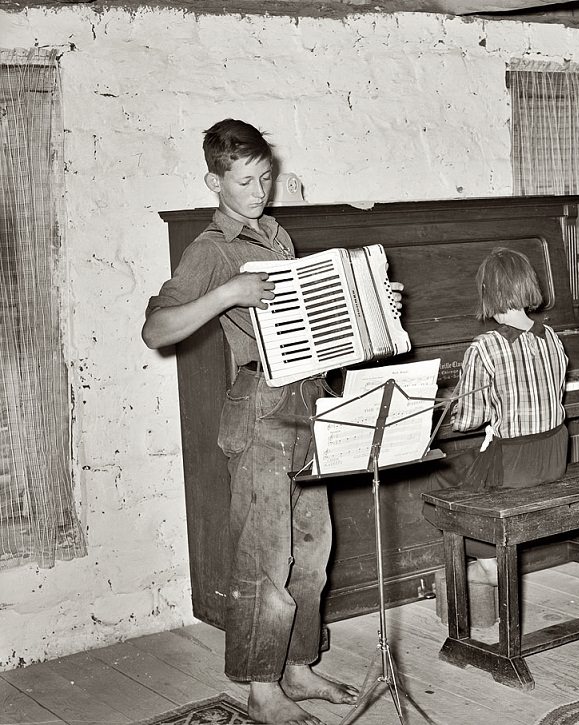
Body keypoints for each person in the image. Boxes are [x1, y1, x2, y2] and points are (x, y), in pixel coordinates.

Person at [143, 119, 390, 724]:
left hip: (307, 406)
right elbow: (156, 329)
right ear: (215, 181)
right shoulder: (209, 250)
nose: (260, 191)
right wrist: (226, 294)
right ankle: (260, 689)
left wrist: (373, 309)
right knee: (263, 558)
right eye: (246, 181)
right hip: (259, 414)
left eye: (266, 178)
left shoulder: (276, 237)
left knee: (312, 552)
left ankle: (298, 668)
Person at [447, 247, 569, 586]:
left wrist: (452, 402)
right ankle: (477, 571)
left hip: (516, 465)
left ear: (489, 293)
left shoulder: (484, 347)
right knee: (467, 466)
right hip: (553, 457)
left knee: (439, 481)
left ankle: (481, 569)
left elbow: (465, 421)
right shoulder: (552, 337)